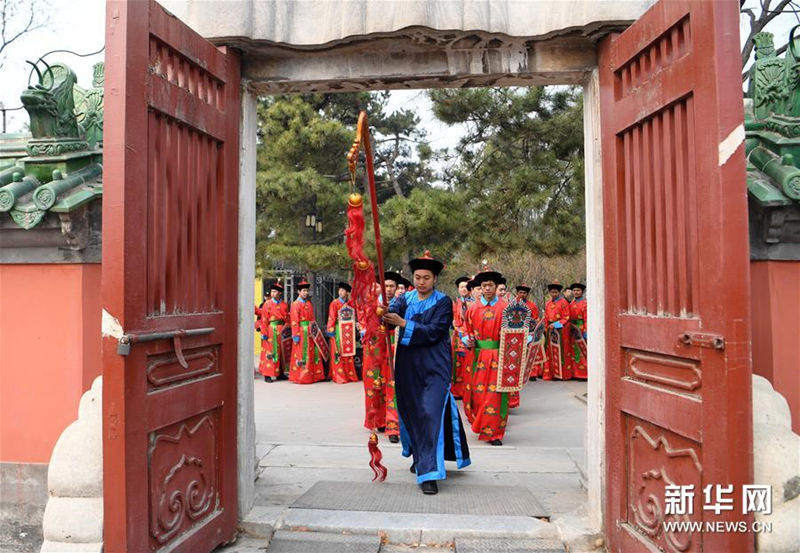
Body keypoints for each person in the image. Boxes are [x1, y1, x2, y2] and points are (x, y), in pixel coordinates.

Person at [383, 251, 471, 495]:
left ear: (434, 280)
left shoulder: (443, 303)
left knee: (430, 413)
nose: (421, 282)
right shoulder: (404, 299)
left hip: (435, 367)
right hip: (407, 367)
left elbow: (434, 331)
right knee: (411, 414)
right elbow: (388, 317)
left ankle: (429, 473)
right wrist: (383, 314)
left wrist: (403, 324)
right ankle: (421, 456)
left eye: (426, 278)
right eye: (418, 277)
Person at [462, 267, 509, 445]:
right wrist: (468, 340)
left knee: (495, 394)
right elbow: (467, 331)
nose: (487, 289)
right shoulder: (473, 309)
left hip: (499, 356)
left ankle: (494, 433)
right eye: (484, 286)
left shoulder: (505, 308)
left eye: (490, 285)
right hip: (478, 357)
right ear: (480, 288)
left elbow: (514, 333)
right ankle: (482, 425)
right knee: (479, 394)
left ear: (496, 287)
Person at [289, 279, 325, 384]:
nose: (305, 293)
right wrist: (295, 334)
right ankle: (301, 376)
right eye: (303, 291)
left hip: (310, 331)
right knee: (302, 353)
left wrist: (315, 330)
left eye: (306, 291)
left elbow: (313, 319)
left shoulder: (309, 304)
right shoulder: (295, 304)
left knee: (312, 353)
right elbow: (294, 321)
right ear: (298, 292)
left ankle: (312, 375)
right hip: (301, 331)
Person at [326, 282, 359, 384]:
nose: (340, 292)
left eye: (343, 290)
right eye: (339, 290)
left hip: (348, 330)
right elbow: (331, 317)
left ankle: (349, 374)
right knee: (338, 352)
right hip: (338, 329)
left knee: (348, 354)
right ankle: (339, 375)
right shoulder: (334, 303)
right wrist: (331, 330)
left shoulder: (351, 303)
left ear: (347, 292)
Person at [257, 282, 290, 382]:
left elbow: (287, 319)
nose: (272, 293)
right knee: (270, 351)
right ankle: (267, 374)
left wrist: (286, 329)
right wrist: (264, 333)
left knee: (280, 352)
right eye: (272, 291)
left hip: (281, 330)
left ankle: (280, 373)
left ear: (280, 293)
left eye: (275, 291)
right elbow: (264, 320)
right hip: (271, 329)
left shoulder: (284, 305)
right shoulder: (267, 304)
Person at [543, 281, 571, 380]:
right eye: (552, 292)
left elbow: (566, 317)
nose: (553, 294)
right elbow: (546, 317)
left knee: (561, 351)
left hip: (561, 330)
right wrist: (546, 327)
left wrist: (555, 325)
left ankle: (562, 374)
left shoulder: (564, 302)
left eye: (555, 292)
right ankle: (552, 374)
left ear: (559, 292)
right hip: (550, 331)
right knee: (550, 352)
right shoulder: (548, 303)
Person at [450, 276, 473, 399]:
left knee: (467, 364)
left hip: (468, 336)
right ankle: (457, 390)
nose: (464, 289)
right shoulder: (456, 303)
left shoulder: (473, 303)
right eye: (461, 287)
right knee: (457, 364)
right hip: (457, 337)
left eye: (466, 286)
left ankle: (467, 390)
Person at [567, 282, 587, 379]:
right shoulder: (571, 303)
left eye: (578, 290)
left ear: (582, 292)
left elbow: (587, 318)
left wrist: (586, 331)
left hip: (581, 327)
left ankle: (583, 374)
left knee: (582, 351)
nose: (576, 292)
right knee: (573, 351)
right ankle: (575, 373)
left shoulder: (585, 303)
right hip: (573, 329)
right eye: (574, 290)